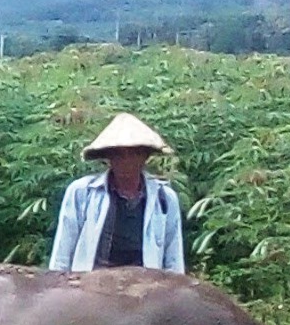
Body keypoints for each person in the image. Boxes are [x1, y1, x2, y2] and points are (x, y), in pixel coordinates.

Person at [45, 113, 186, 273]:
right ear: (109, 158)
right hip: (91, 286)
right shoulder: (82, 192)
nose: (126, 161)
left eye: (134, 154)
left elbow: (174, 261)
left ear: (145, 157)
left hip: (145, 289)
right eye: (119, 155)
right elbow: (62, 253)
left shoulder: (164, 199)